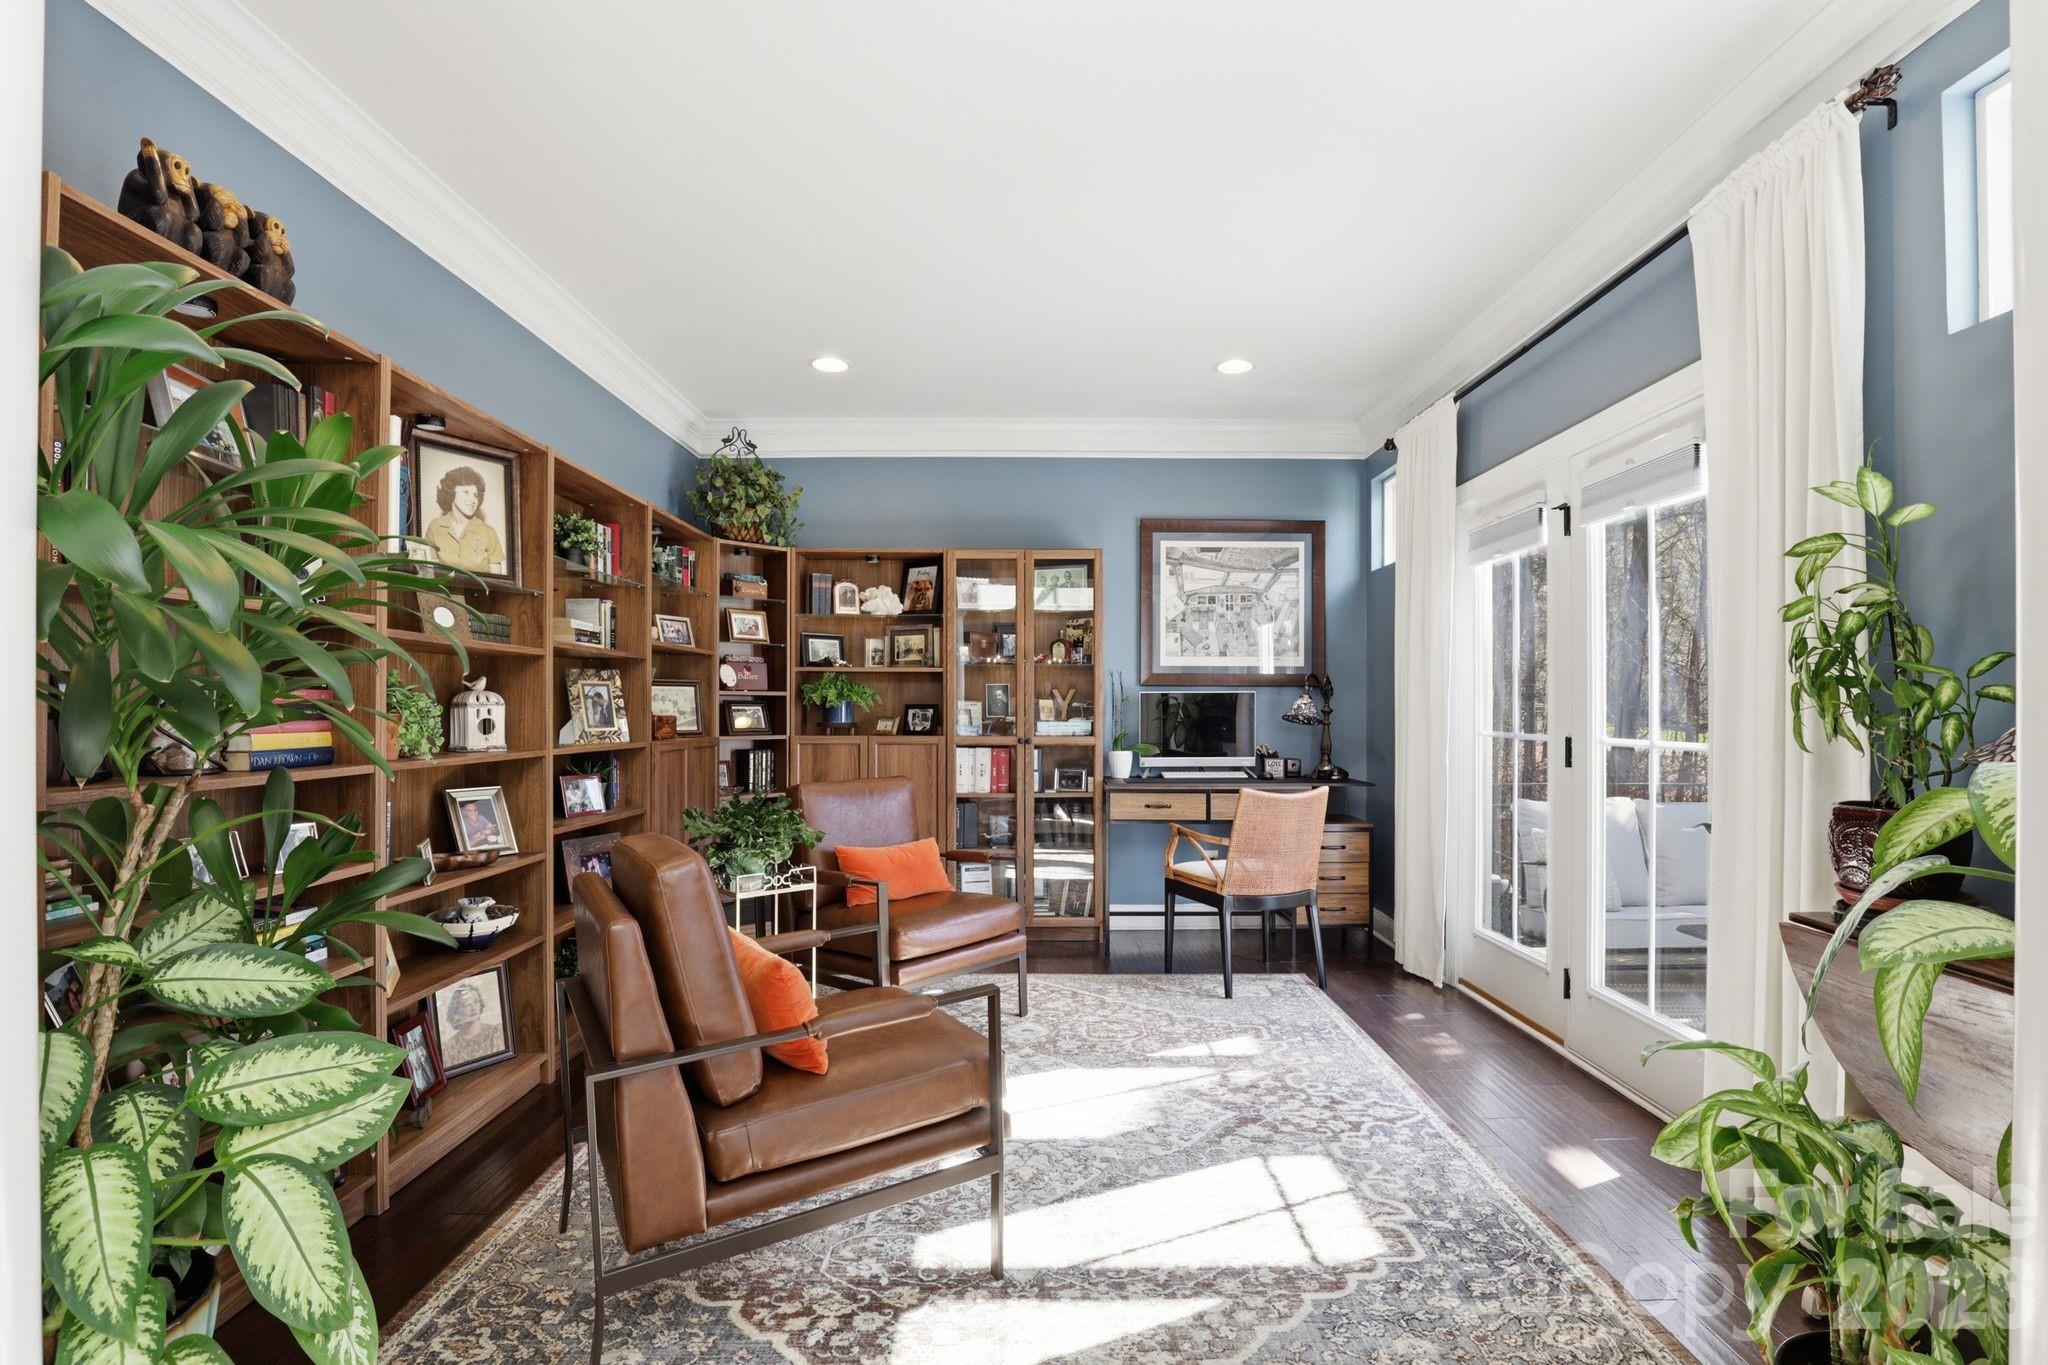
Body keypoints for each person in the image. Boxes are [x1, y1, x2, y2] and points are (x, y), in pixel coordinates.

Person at [424, 465, 507, 575]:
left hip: (478, 592)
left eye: (475, 495)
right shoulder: (435, 526)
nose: (472, 500)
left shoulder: (488, 532)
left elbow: (497, 580)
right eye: (466, 492)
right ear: (451, 493)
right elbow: (430, 572)